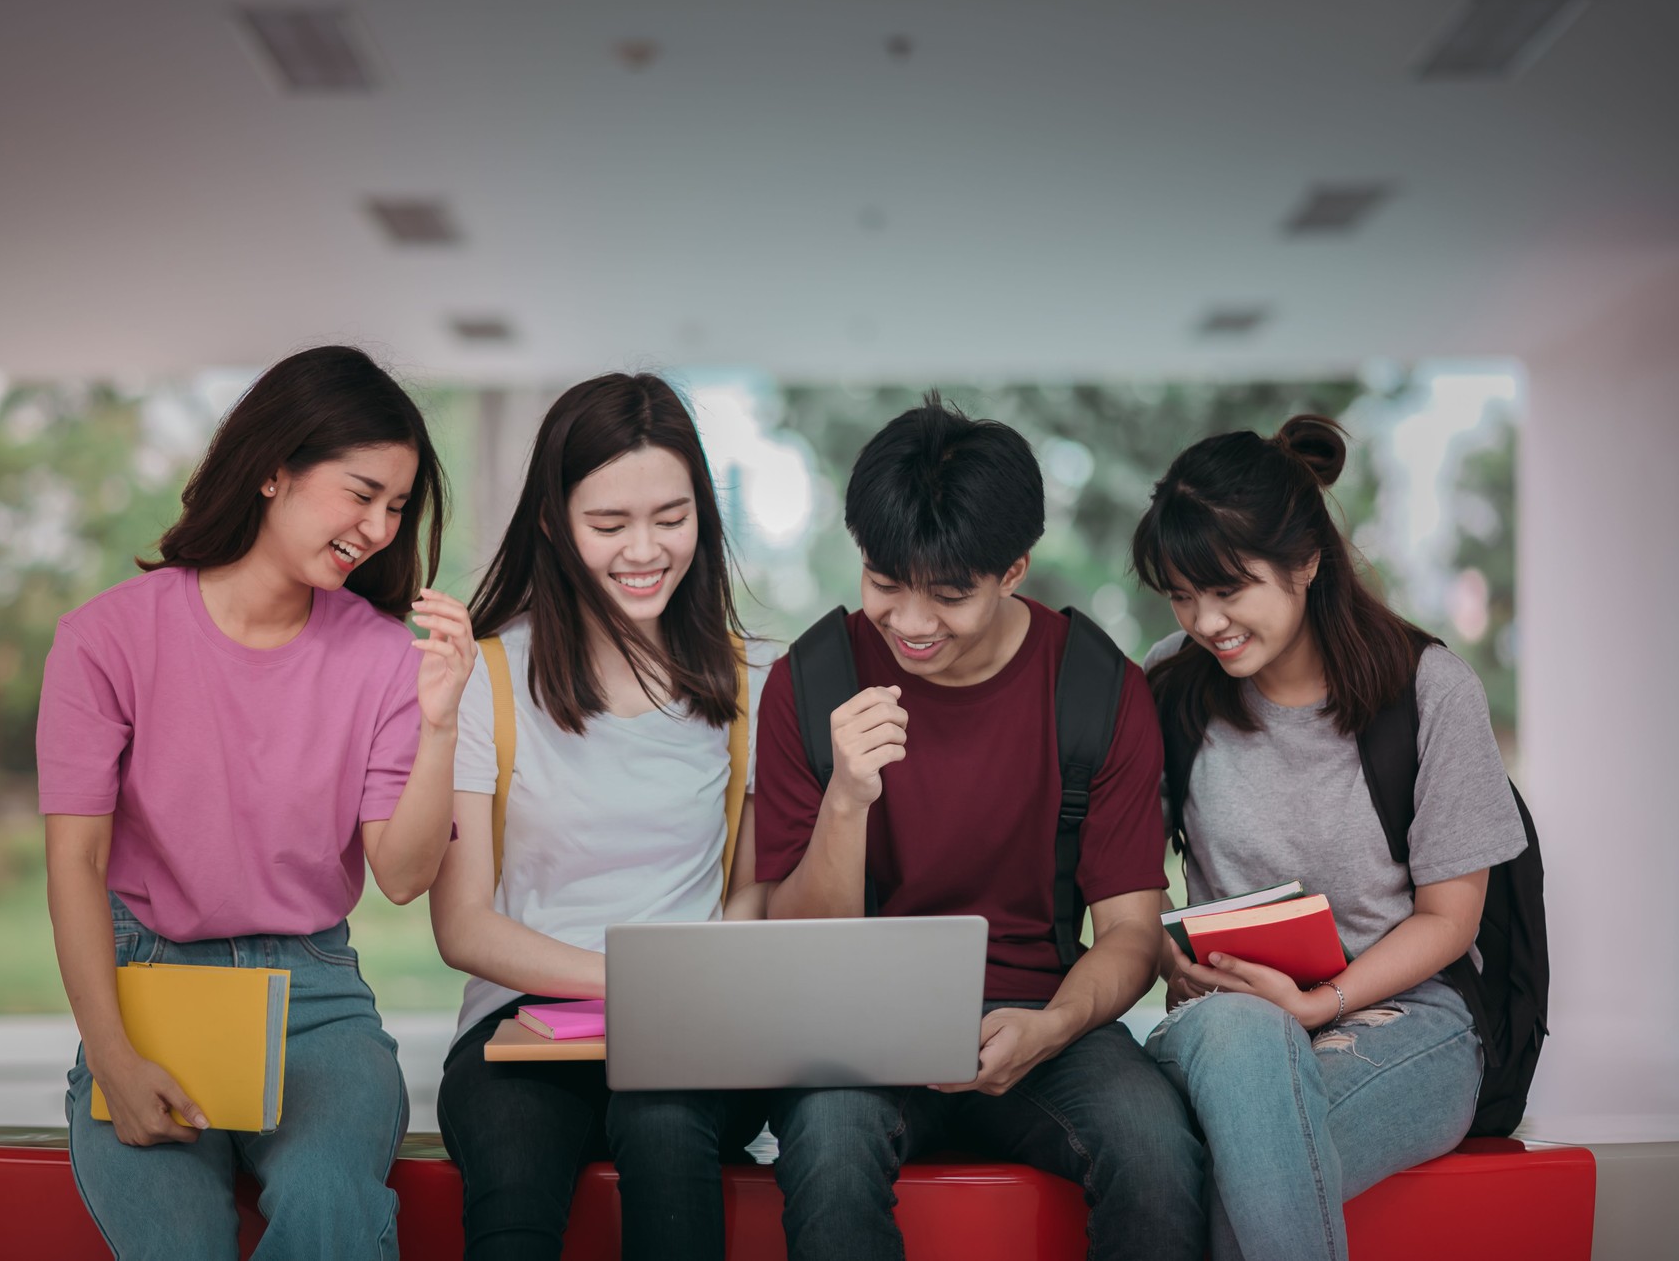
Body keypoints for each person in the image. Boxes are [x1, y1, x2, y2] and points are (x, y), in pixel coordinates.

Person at [37, 345, 474, 1261]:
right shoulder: (104, 640)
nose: (381, 527)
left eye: (397, 506)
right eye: (362, 493)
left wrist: (440, 727)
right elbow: (74, 864)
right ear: (274, 469)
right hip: (147, 992)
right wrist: (112, 1055)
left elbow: (400, 876)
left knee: (330, 1210)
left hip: (315, 1001)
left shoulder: (389, 660)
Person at [752, 393, 1206, 1261]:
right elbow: (795, 946)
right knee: (829, 1148)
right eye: (885, 585)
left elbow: (1129, 936)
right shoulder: (809, 684)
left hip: (1046, 1015)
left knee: (1154, 1148)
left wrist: (1051, 1028)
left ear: (1014, 570)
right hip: (861, 1026)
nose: (913, 624)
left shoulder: (1097, 689)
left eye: (950, 596)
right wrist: (846, 798)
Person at [1131, 414, 1526, 1261]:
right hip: (1224, 1017)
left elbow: (1450, 917)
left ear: (1306, 561)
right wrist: (1177, 958)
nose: (1207, 621)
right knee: (1246, 1049)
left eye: (1229, 588)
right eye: (1181, 594)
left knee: (1247, 1164)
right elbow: (1129, 875)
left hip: (1406, 1019)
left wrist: (1317, 1003)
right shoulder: (1172, 686)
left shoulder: (1430, 692)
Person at [430, 373, 772, 1261]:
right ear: (552, 522)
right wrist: (627, 980)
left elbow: (752, 897)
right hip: (521, 1023)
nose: (644, 550)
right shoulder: (487, 679)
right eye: (609, 525)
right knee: (512, 1191)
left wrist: (677, 988)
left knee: (667, 1131)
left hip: (688, 1028)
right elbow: (463, 927)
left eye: (671, 516)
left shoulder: (751, 683)